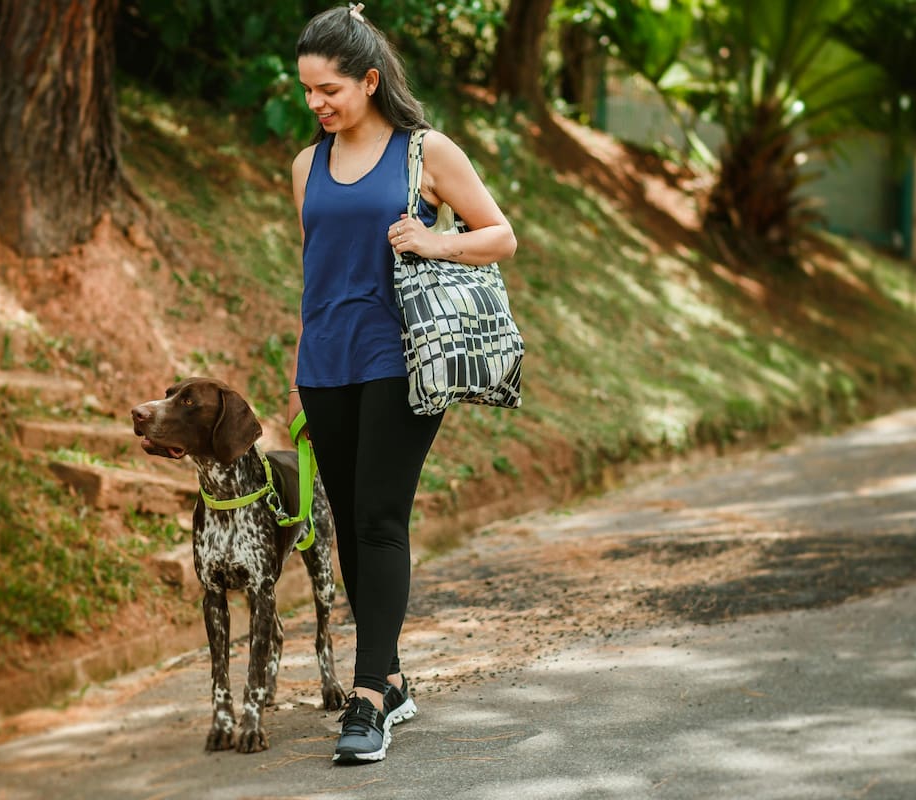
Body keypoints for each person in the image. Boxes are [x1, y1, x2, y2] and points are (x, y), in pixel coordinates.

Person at [286, 3, 518, 765]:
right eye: (309, 92)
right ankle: (390, 673)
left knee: (381, 517)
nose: (318, 104)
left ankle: (369, 701)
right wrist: (297, 375)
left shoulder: (425, 151)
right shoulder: (305, 166)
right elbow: (316, 273)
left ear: (370, 80)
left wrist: (434, 238)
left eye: (330, 90)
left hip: (402, 357)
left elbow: (501, 234)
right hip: (326, 361)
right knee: (350, 524)